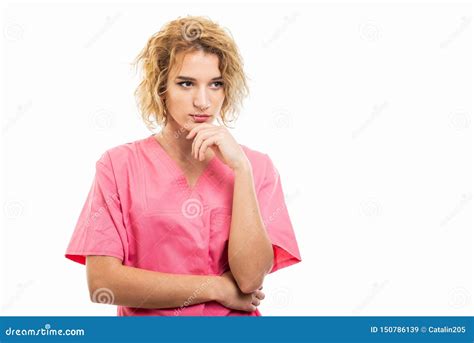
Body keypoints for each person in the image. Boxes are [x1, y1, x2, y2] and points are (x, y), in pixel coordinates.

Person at [65, 15, 302, 316]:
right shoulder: (118, 166)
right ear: (160, 88)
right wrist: (214, 288)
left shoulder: (255, 166)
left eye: (215, 84)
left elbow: (250, 279)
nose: (203, 101)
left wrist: (241, 170)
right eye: (186, 83)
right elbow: (103, 283)